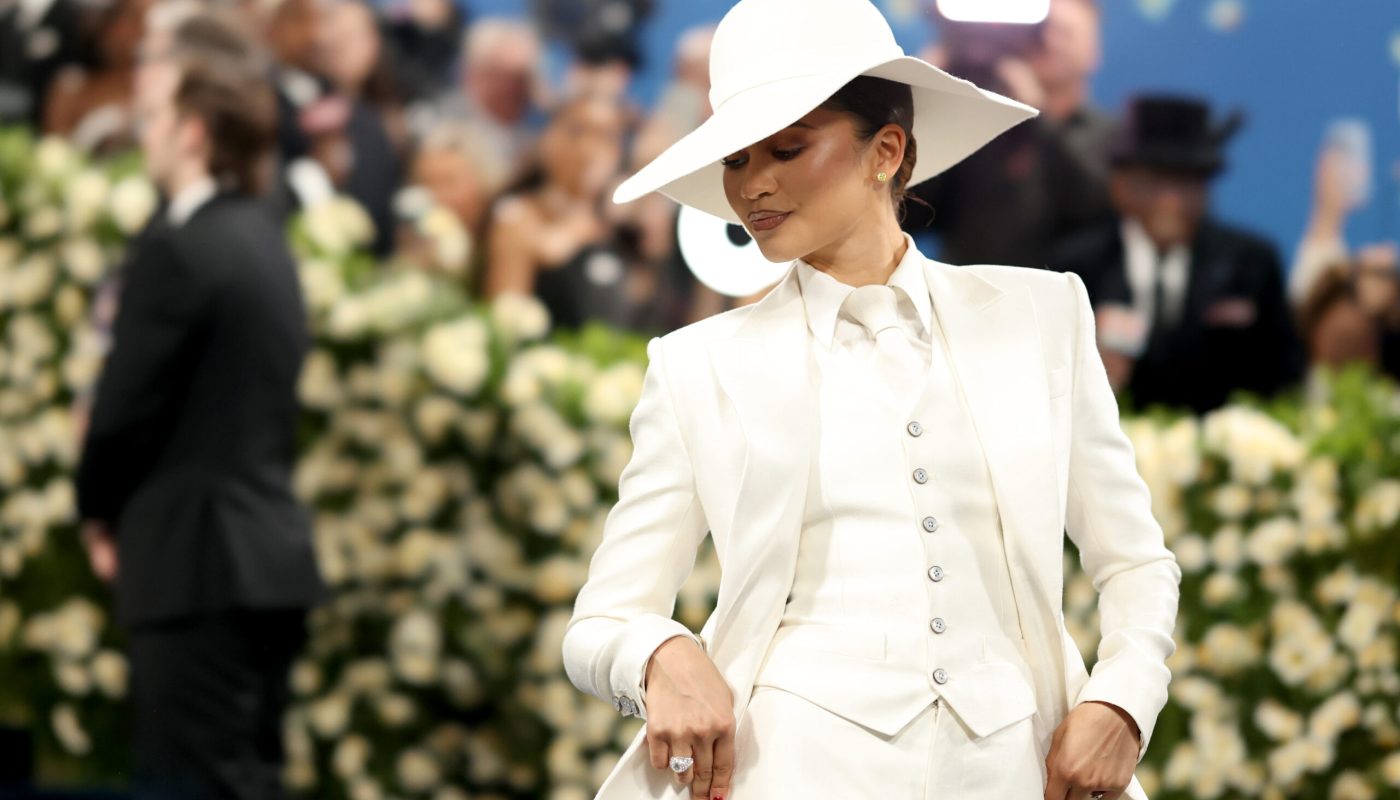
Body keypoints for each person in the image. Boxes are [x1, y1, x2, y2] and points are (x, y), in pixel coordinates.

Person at [562, 2, 1180, 799]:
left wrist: (1123, 701)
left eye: (787, 148)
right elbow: (601, 622)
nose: (753, 184)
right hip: (787, 769)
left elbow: (1135, 560)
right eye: (736, 159)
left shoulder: (1041, 315)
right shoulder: (698, 366)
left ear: (886, 151)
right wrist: (660, 655)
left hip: (1019, 770)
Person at [73, 41, 324, 799]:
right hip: (267, 563)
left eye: (153, 117)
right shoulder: (267, 242)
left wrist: (96, 511)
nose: (142, 133)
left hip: (193, 568)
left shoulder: (178, 249)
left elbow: (123, 411)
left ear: (192, 132)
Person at [1050, 94, 1305, 415]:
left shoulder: (1252, 264)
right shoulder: (1075, 267)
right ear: (1120, 185)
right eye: (1155, 180)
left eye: (1188, 181)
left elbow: (1286, 378)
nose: (1172, 200)